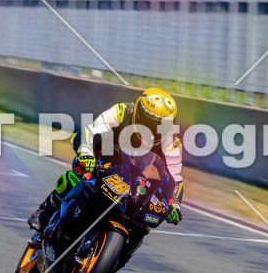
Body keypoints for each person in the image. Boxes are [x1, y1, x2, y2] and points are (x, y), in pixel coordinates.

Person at [28, 88, 183, 232]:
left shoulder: (172, 142)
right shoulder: (122, 111)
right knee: (77, 176)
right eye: (150, 122)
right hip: (102, 163)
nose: (153, 129)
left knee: (144, 222)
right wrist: (86, 153)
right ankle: (45, 210)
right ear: (138, 112)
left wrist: (174, 204)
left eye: (161, 125)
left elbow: (175, 177)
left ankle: (118, 255)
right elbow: (91, 130)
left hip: (135, 182)